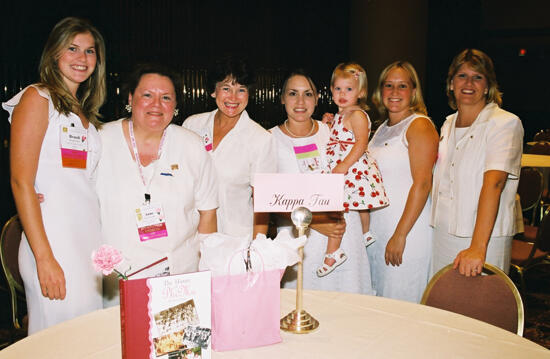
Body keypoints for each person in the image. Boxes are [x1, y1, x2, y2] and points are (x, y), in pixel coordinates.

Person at [3, 17, 106, 333]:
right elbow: (21, 180)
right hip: (52, 242)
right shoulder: (37, 97)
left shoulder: (81, 110)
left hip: (85, 242)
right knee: (57, 340)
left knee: (86, 338)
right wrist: (44, 259)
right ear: (54, 54)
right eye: (72, 48)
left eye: (90, 51)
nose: (82, 58)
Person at [97, 64, 218, 307]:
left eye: (166, 98)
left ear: (175, 105)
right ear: (130, 98)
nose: (156, 105)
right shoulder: (100, 140)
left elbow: (208, 213)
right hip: (121, 277)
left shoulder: (191, 145)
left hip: (179, 277)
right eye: (147, 95)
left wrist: (206, 270)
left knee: (178, 345)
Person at [272, 70, 373, 294]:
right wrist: (315, 223)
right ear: (282, 98)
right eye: (292, 93)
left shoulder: (333, 131)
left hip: (343, 234)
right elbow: (266, 201)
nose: (300, 101)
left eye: (307, 94)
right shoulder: (269, 139)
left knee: (350, 310)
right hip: (299, 239)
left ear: (317, 98)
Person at [431, 49, 524, 277]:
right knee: (442, 307)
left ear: (488, 85)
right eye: (462, 76)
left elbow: (494, 184)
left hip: (482, 238)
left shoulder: (504, 123)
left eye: (478, 77)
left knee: (479, 309)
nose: (469, 83)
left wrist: (477, 246)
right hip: (442, 233)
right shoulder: (447, 124)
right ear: (451, 83)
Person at [182, 57, 276, 239]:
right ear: (213, 91)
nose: (233, 97)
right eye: (226, 88)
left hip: (235, 239)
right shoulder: (192, 125)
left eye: (241, 90)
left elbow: (262, 204)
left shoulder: (261, 139)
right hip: (190, 237)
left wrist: (257, 248)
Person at [368, 61, 439, 303]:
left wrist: (400, 235)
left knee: (402, 304)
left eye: (402, 86)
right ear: (380, 91)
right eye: (389, 85)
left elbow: (422, 184)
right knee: (379, 300)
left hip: (406, 232)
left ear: (414, 91)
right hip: (380, 229)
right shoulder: (381, 129)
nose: (395, 92)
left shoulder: (419, 125)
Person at [320, 62, 388, 277]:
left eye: (349, 89)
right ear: (331, 90)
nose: (342, 94)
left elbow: (360, 143)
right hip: (345, 167)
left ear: (361, 92)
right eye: (338, 88)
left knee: (336, 206)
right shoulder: (341, 115)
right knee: (357, 204)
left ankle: (333, 252)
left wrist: (344, 165)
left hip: (351, 166)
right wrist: (327, 124)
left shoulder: (357, 115)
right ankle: (365, 232)